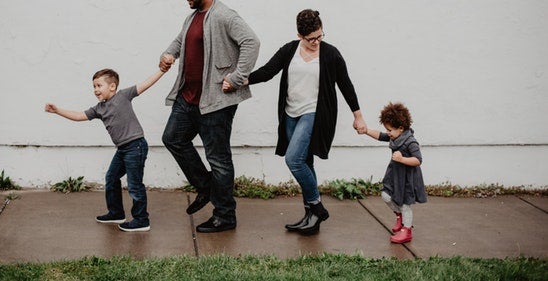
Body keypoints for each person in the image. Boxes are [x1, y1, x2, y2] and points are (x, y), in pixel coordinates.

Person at [224, 9, 367, 235]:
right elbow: (268, 71)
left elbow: (346, 85)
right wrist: (239, 81)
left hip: (315, 113)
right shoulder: (290, 50)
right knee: (305, 162)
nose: (316, 42)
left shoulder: (330, 54)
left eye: (320, 36)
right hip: (290, 114)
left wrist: (358, 116)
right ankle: (311, 217)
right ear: (300, 35)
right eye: (311, 39)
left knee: (294, 160)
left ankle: (317, 207)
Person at [158, 0, 260, 233]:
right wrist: (168, 53)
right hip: (188, 97)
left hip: (215, 101)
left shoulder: (224, 15)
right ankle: (206, 187)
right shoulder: (193, 16)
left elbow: (251, 42)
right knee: (172, 138)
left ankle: (225, 215)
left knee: (218, 159)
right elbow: (181, 39)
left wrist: (236, 78)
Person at [45, 68, 165, 232]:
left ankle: (141, 219)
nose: (95, 90)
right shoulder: (99, 109)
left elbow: (146, 84)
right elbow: (79, 116)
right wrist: (57, 110)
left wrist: (162, 71)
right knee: (111, 177)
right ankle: (116, 213)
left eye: (99, 86)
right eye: (94, 86)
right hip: (122, 149)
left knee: (134, 185)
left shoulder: (123, 96)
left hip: (135, 146)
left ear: (112, 86)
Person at [364, 102, 427, 243]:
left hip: (407, 178)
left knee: (405, 205)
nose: (388, 133)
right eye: (387, 129)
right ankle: (399, 215)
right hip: (395, 176)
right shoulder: (395, 136)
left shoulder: (410, 142)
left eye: (390, 130)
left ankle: (407, 230)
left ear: (401, 128)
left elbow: (418, 160)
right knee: (386, 195)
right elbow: (380, 136)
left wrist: (401, 159)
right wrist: (366, 130)